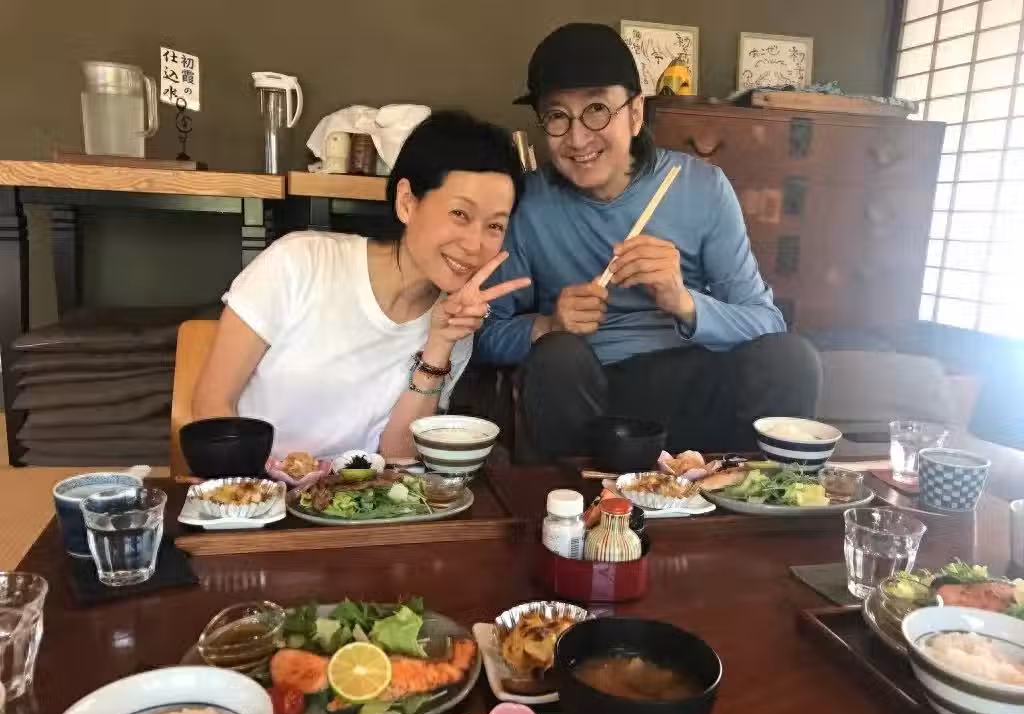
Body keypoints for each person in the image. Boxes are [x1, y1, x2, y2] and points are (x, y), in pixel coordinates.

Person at [475, 23, 822, 459]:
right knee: (555, 357)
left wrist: (684, 302)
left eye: (597, 109)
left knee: (791, 360)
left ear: (635, 113)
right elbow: (485, 335)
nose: (578, 138)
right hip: (594, 396)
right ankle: (579, 501)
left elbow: (767, 323)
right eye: (558, 116)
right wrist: (549, 325)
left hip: (698, 385)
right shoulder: (527, 202)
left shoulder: (702, 187)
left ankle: (745, 494)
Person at [192, 111, 531, 459]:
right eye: (460, 214)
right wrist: (256, 488)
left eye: (495, 226)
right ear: (407, 202)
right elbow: (211, 405)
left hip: (367, 492)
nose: (475, 244)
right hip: (256, 484)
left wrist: (439, 344)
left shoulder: (455, 322)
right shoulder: (298, 263)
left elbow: (399, 457)